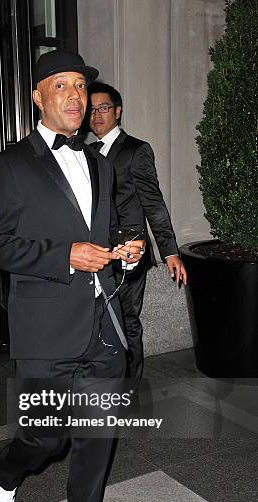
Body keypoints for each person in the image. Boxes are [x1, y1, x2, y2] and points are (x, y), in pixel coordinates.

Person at [0, 50, 144, 502]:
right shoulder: (11, 164)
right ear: (38, 98)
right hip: (46, 326)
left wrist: (124, 250)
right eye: (63, 86)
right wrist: (62, 255)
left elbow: (102, 229)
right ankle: (7, 474)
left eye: (81, 86)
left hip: (101, 324)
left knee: (96, 436)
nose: (76, 96)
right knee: (43, 438)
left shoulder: (101, 162)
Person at [88, 82, 187, 384]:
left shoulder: (136, 150)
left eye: (103, 108)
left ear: (117, 111)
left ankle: (130, 384)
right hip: (96, 253)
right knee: (99, 319)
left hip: (129, 251)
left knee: (127, 320)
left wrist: (170, 251)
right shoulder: (87, 152)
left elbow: (153, 203)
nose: (97, 115)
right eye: (91, 110)